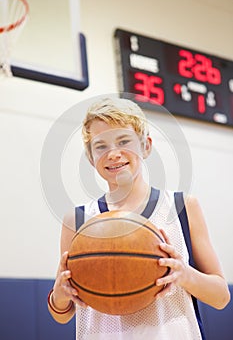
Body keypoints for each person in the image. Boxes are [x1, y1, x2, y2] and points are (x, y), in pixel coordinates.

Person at [48, 97, 230, 339]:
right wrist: (59, 295)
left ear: (146, 146)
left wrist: (185, 274)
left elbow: (221, 297)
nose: (113, 153)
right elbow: (62, 313)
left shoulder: (182, 207)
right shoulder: (77, 219)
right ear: (91, 158)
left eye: (124, 141)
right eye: (101, 146)